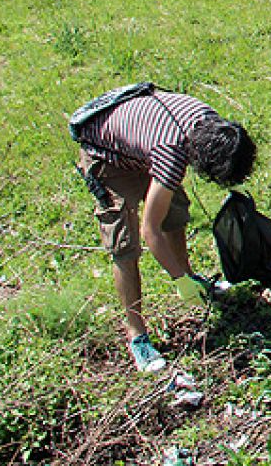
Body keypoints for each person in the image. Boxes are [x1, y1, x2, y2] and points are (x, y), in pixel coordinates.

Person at [73, 86, 255, 373]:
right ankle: (137, 335)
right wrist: (177, 280)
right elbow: (150, 230)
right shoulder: (171, 154)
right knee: (125, 245)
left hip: (142, 143)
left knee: (175, 210)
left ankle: (193, 277)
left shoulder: (210, 122)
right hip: (106, 154)